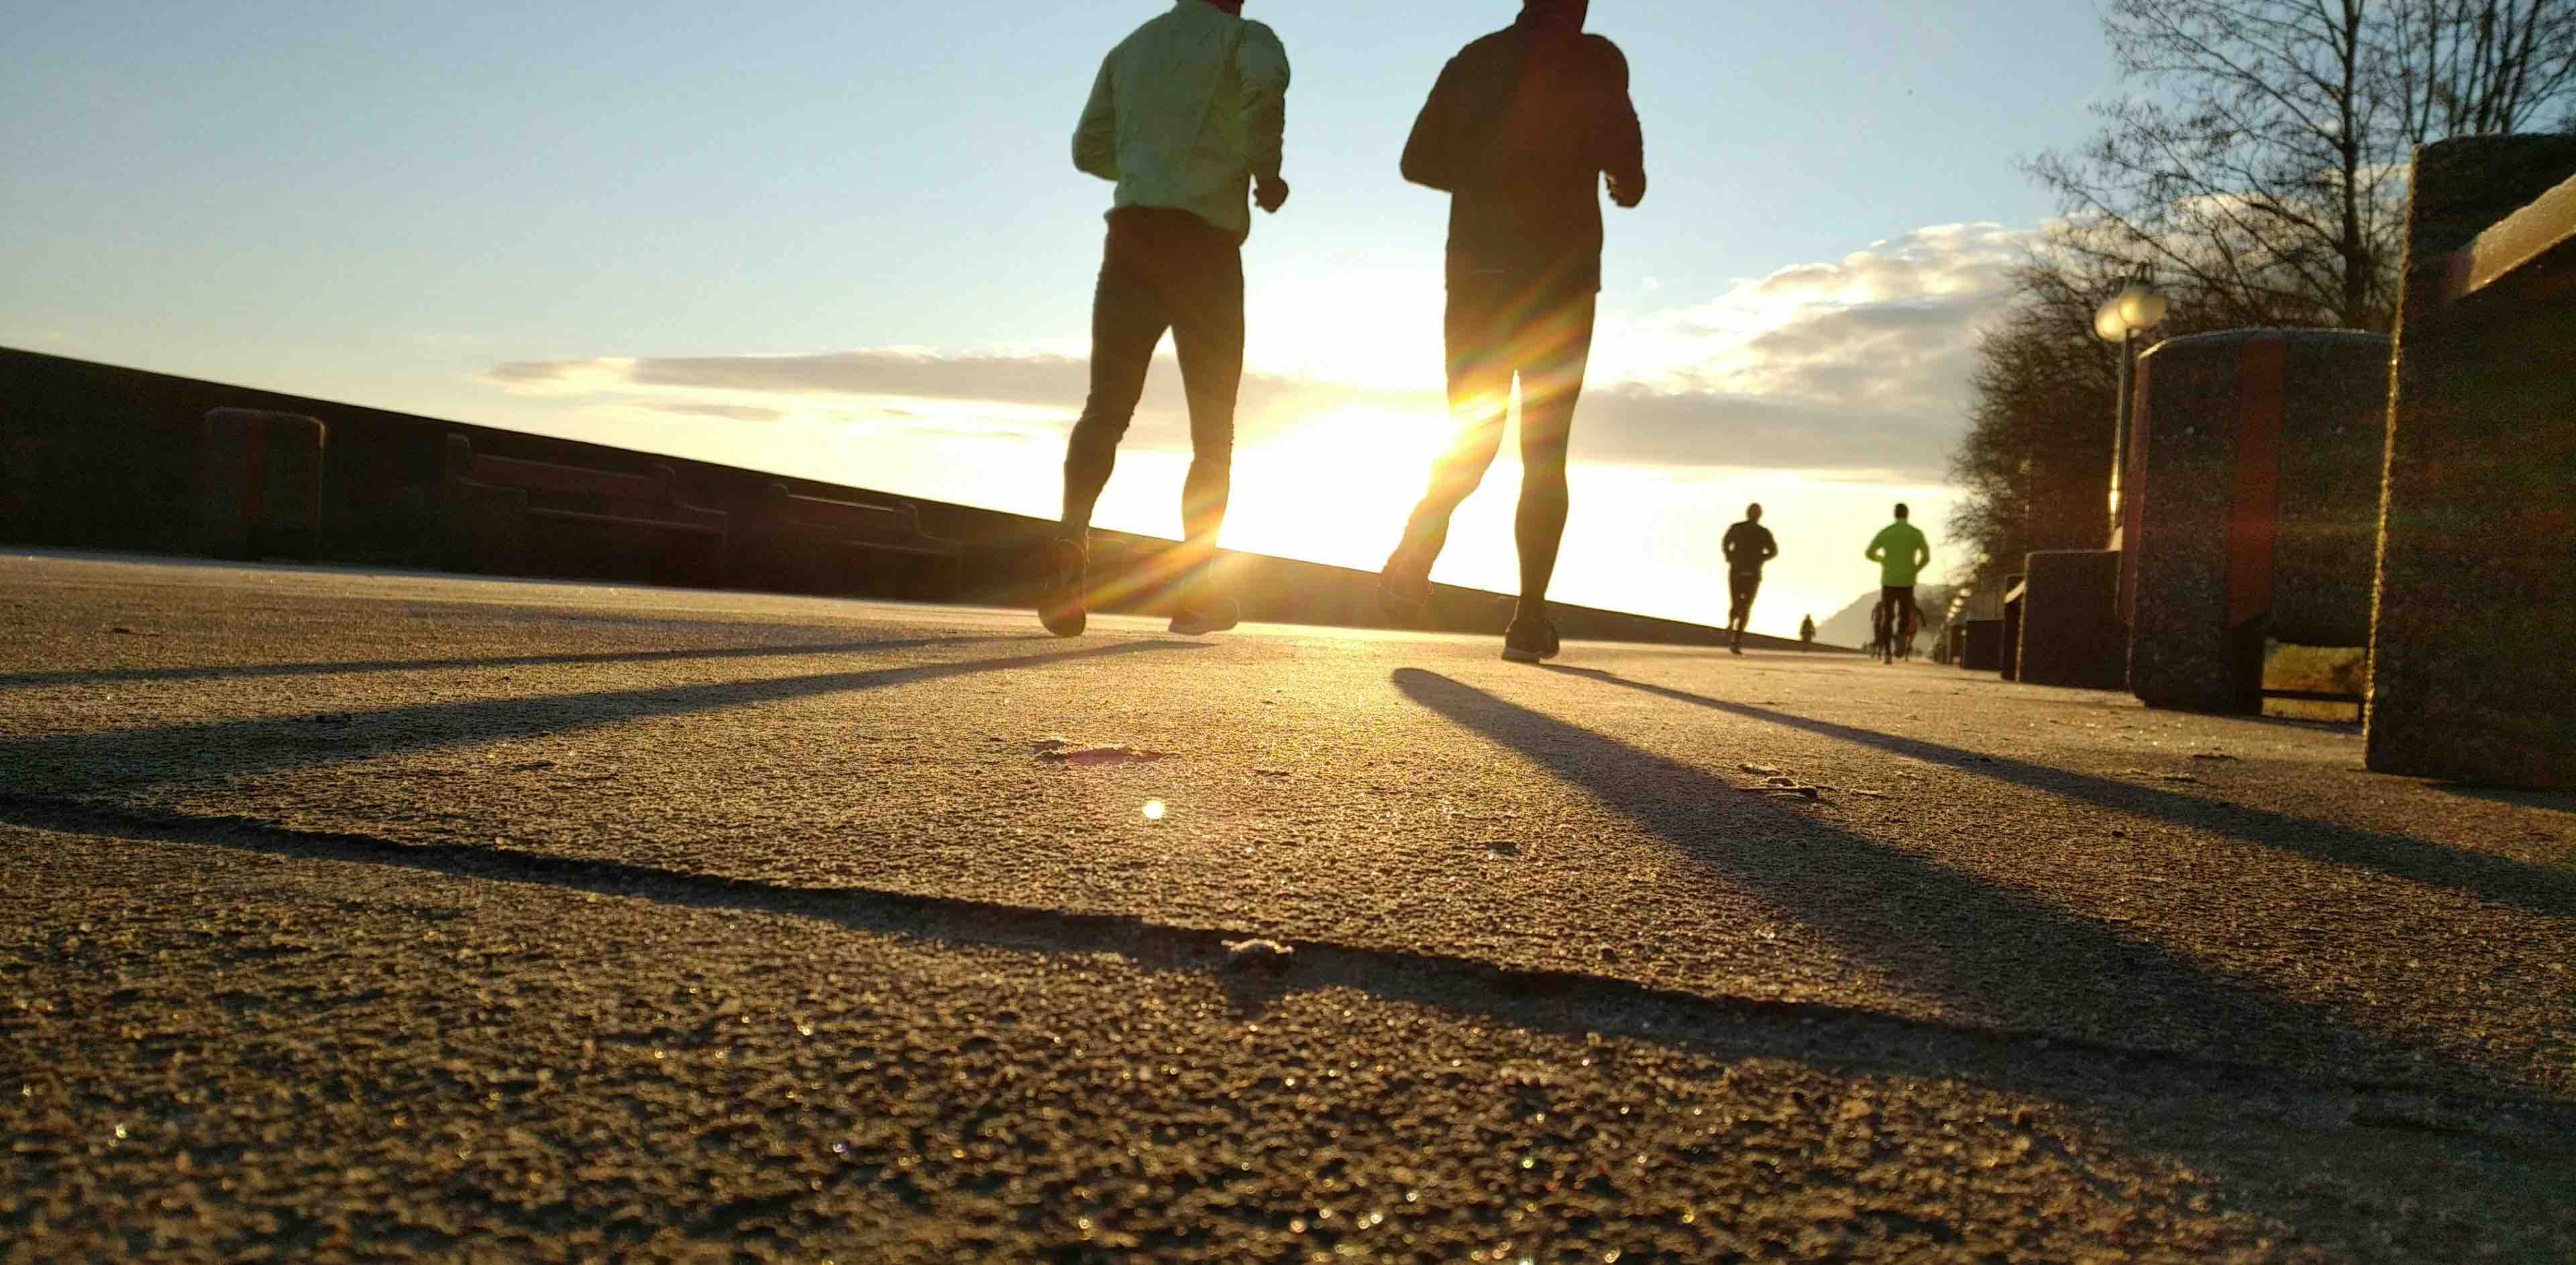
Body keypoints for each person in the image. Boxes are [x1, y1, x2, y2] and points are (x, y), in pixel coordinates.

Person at [1377, 0, 1647, 663]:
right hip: (1561, 281)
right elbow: (1630, 177)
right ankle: (1528, 620)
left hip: (1480, 276)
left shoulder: (1474, 61)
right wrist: (1615, 177)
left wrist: (1488, 170)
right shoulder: (1598, 62)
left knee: (1474, 436)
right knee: (1545, 452)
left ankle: (1420, 538)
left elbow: (1416, 161)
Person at [1041, 0, 1293, 639]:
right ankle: (1196, 594)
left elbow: (1086, 148)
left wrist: (1149, 164)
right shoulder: (1247, 39)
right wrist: (1264, 169)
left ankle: (1071, 543)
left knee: (1106, 408)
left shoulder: (1131, 48)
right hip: (1204, 251)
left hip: (1131, 241)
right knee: (1213, 432)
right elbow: (1265, 87)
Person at [1864, 503, 1931, 660]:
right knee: (1905, 615)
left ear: (1894, 514)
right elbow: (1926, 557)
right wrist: (1915, 569)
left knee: (1887, 617)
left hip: (1888, 580)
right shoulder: (1916, 533)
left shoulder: (1886, 532)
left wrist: (1883, 559)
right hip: (1907, 581)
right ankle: (1900, 638)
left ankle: (1887, 652)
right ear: (1907, 515)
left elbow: (1869, 553)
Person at [1720, 503, 1776, 654]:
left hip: (1737, 570)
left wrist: (1730, 556)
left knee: (1736, 602)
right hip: (1753, 572)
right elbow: (1774, 551)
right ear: (1760, 516)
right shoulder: (1763, 532)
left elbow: (1726, 543)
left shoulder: (1737, 528)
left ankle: (1731, 624)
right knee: (1746, 607)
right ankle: (1736, 640)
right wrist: (1761, 558)